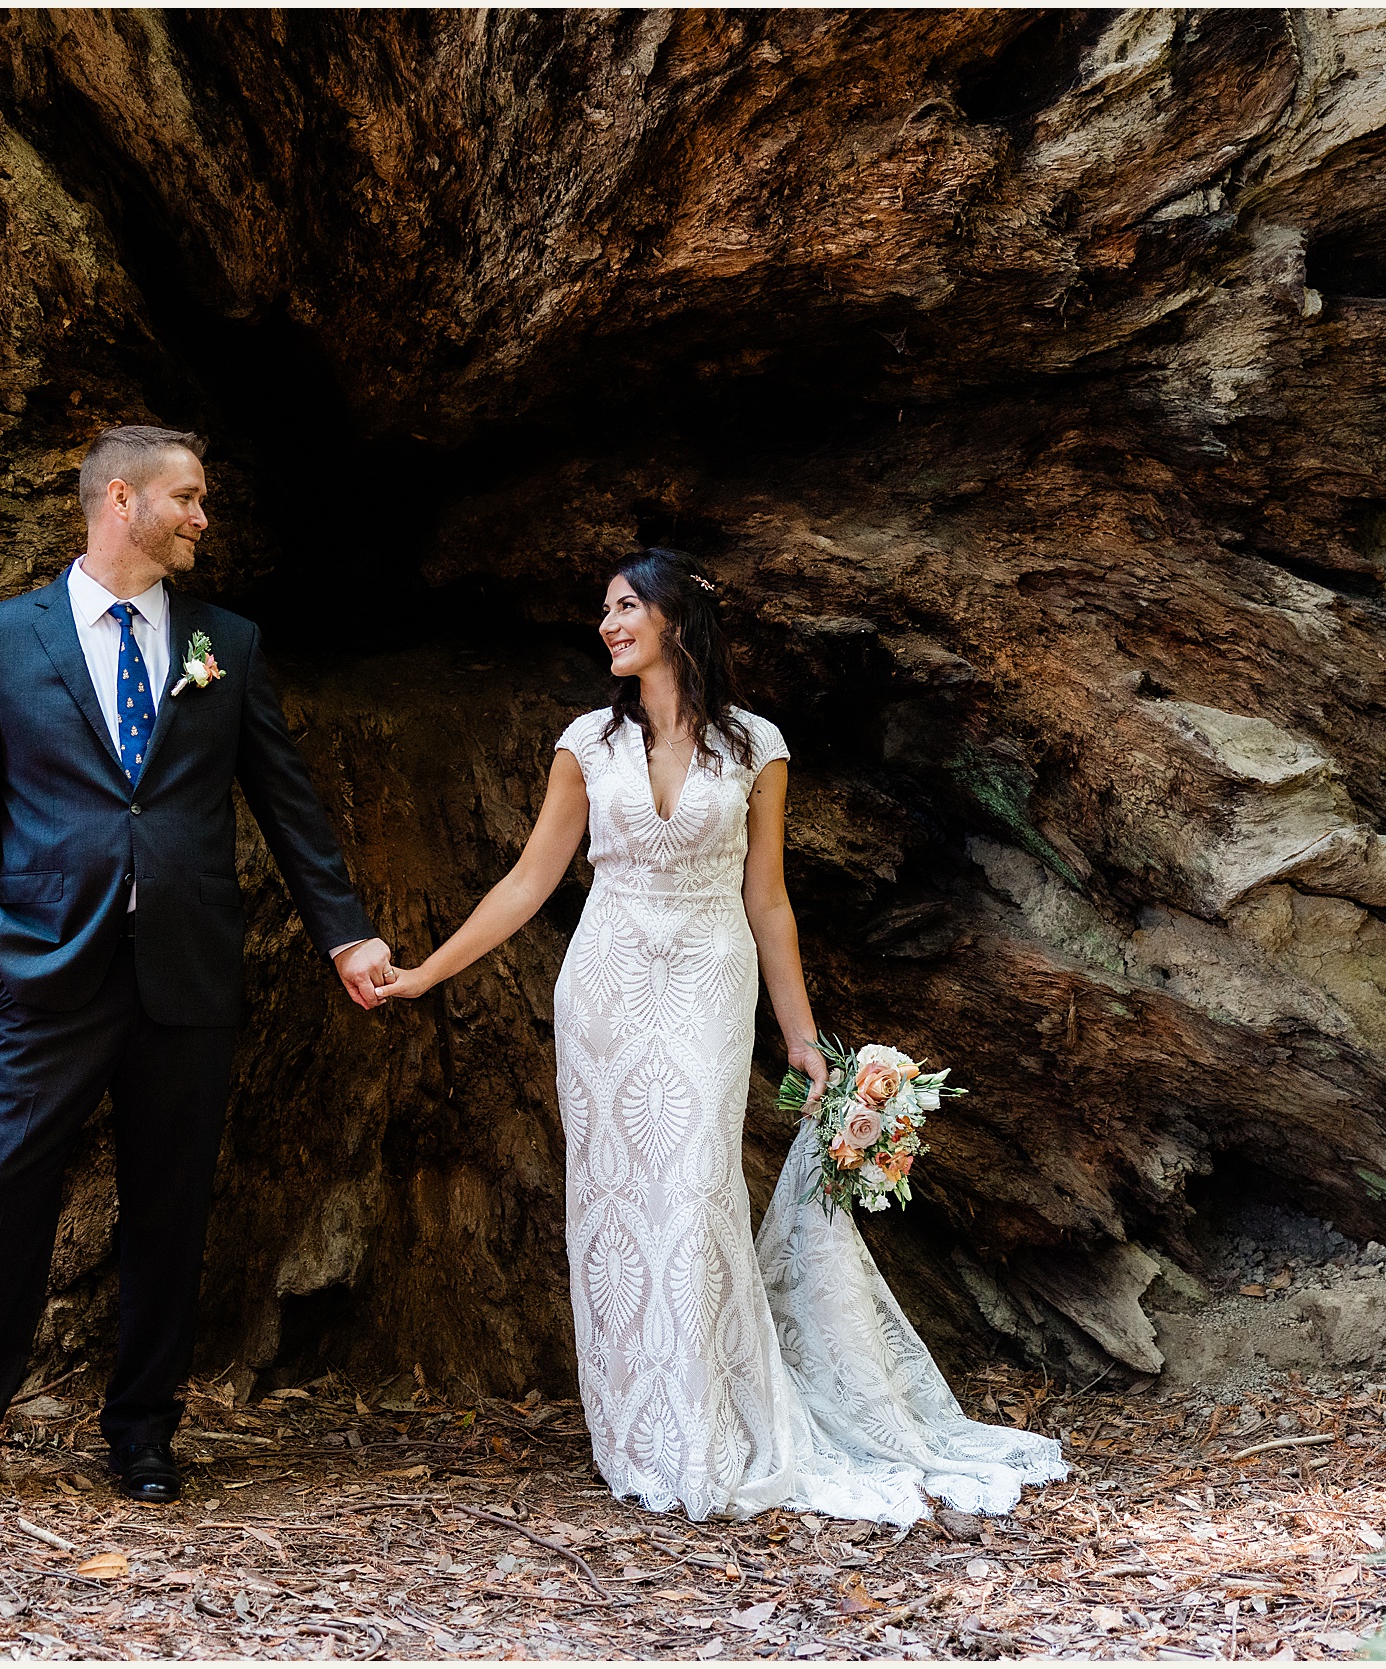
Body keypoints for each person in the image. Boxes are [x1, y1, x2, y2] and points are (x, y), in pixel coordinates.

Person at [373, 549, 1064, 1522]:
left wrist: (798, 1037)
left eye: (625, 607)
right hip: (605, 987)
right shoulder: (585, 742)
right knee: (617, 1215)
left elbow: (768, 899)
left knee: (693, 1196)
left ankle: (709, 1427)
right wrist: (424, 971)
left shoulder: (754, 747)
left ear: (675, 621)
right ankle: (640, 1434)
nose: (608, 624)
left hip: (705, 976)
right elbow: (527, 884)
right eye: (604, 609)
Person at [0, 425, 396, 1509]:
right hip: (47, 972)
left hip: (188, 972)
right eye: (187, 498)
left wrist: (346, 932)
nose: (202, 517)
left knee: (170, 1208)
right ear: (121, 498)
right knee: (3, 1193)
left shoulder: (225, 643)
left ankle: (143, 1432)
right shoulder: (4, 640)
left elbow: (286, 805)